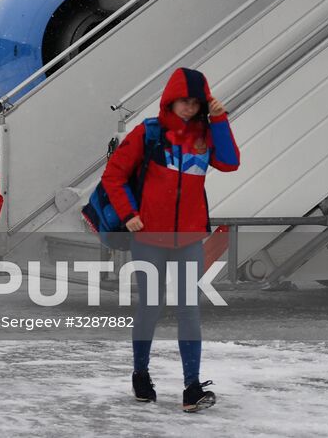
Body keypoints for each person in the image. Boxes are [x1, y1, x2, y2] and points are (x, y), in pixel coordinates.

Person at [100, 67, 239, 413]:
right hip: (148, 237)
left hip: (189, 239)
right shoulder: (148, 134)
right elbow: (113, 175)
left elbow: (231, 163)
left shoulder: (205, 136)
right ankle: (141, 374)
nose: (189, 109)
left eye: (195, 103)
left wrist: (220, 120)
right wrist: (129, 212)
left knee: (189, 310)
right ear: (171, 100)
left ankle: (192, 386)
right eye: (183, 102)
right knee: (149, 307)